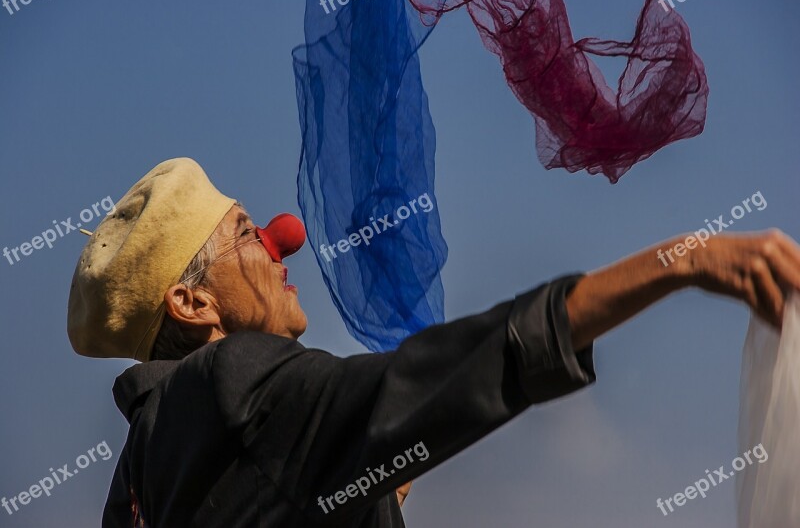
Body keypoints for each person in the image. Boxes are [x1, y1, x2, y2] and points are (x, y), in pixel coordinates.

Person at [67, 158, 800, 527]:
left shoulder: (138, 479)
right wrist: (683, 261)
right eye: (243, 236)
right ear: (192, 302)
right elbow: (441, 378)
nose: (278, 243)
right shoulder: (233, 386)